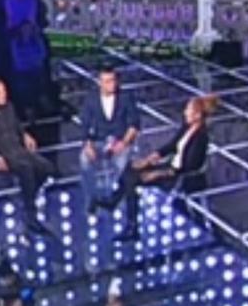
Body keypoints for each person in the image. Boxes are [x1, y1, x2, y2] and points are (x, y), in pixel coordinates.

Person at [94, 95, 218, 241]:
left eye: (188, 110)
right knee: (130, 168)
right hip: (171, 167)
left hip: (180, 177)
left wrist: (157, 173)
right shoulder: (187, 127)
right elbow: (171, 146)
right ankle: (113, 201)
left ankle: (132, 228)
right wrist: (148, 160)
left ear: (197, 115)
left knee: (132, 180)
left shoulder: (201, 137)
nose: (185, 112)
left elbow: (189, 167)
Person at [0, 77, 55, 235]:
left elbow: (17, 126)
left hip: (18, 149)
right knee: (26, 170)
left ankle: (27, 196)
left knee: (46, 168)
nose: (3, 96)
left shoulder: (9, 107)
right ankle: (31, 216)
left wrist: (25, 135)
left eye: (4, 92)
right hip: (2, 154)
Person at [79, 66, 140, 213]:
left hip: (120, 141)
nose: (111, 84)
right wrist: (88, 145)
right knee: (84, 160)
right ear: (100, 83)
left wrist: (123, 143)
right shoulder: (91, 99)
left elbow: (134, 124)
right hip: (98, 141)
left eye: (113, 80)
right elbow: (85, 126)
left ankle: (118, 200)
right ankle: (92, 198)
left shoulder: (126, 97)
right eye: (106, 81)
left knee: (123, 164)